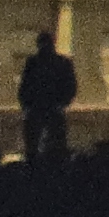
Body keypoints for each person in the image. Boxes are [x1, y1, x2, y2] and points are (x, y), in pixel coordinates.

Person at [16, 25, 77, 158]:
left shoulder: (34, 62)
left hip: (41, 107)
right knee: (51, 143)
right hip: (47, 107)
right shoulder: (60, 62)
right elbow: (70, 86)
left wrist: (25, 104)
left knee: (38, 143)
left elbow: (25, 85)